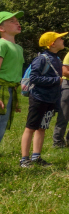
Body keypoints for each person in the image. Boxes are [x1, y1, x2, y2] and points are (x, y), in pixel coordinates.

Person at [20, 32, 66, 167]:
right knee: (30, 127)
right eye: (60, 38)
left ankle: (36, 157)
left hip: (50, 100)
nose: (63, 40)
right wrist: (56, 80)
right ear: (52, 43)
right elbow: (34, 78)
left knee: (42, 127)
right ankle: (24, 159)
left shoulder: (56, 58)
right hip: (39, 98)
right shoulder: (42, 59)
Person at [0, 11, 23, 146]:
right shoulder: (1, 44)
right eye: (12, 21)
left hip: (10, 90)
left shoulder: (18, 48)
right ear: (1, 28)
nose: (17, 23)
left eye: (17, 20)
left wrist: (14, 98)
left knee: (2, 125)